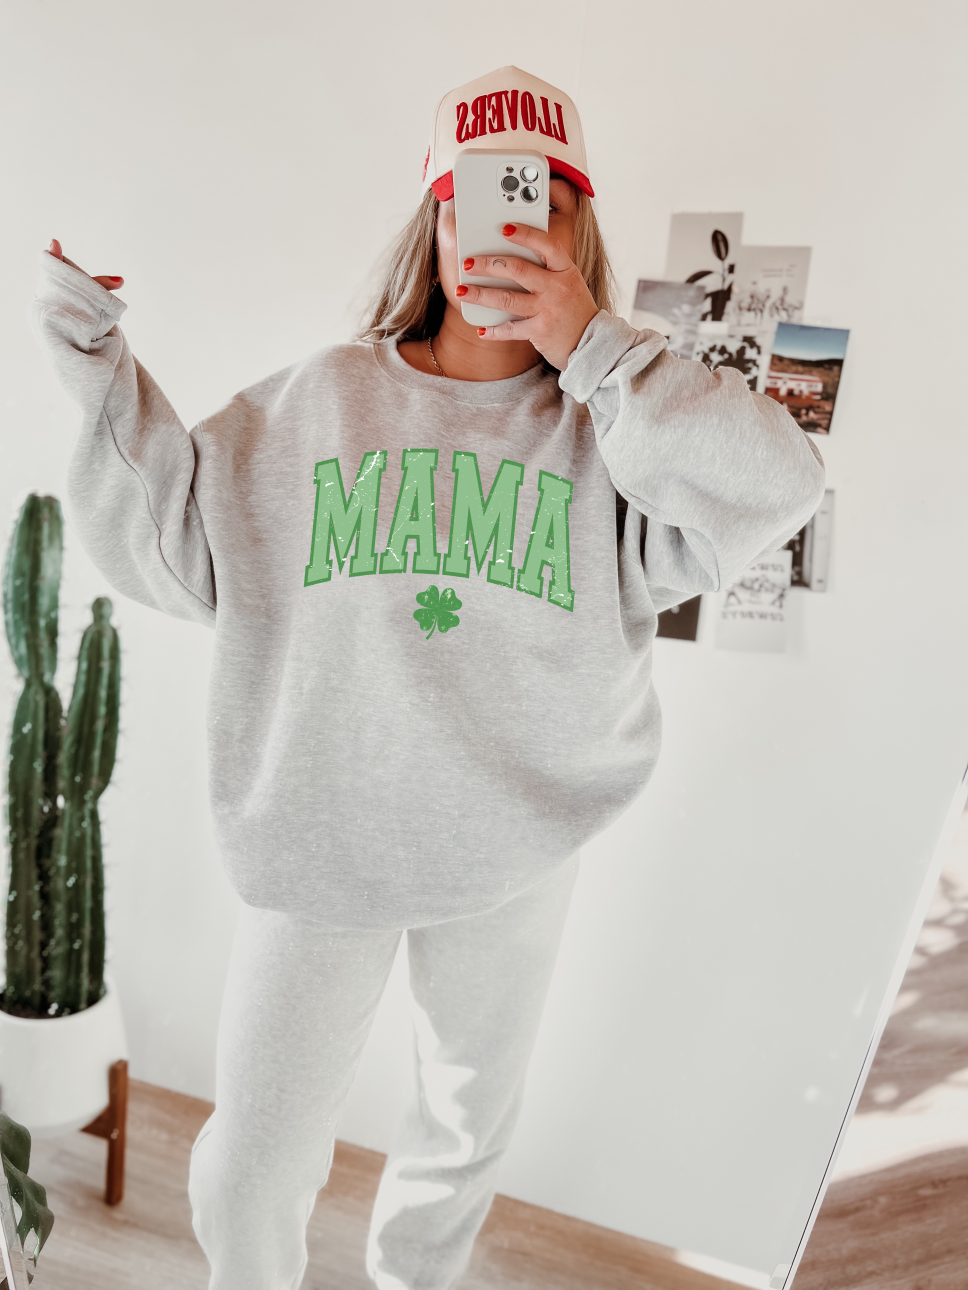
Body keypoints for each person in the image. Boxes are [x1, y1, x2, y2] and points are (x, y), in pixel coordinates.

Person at [31, 64, 824, 1290]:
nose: (501, 234)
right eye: (473, 204)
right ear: (434, 226)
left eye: (539, 205)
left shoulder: (615, 431)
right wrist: (91, 356)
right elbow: (173, 542)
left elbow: (775, 487)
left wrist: (595, 351)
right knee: (249, 1169)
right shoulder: (322, 399)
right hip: (319, 845)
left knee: (458, 1141)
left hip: (518, 849)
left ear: (576, 233)